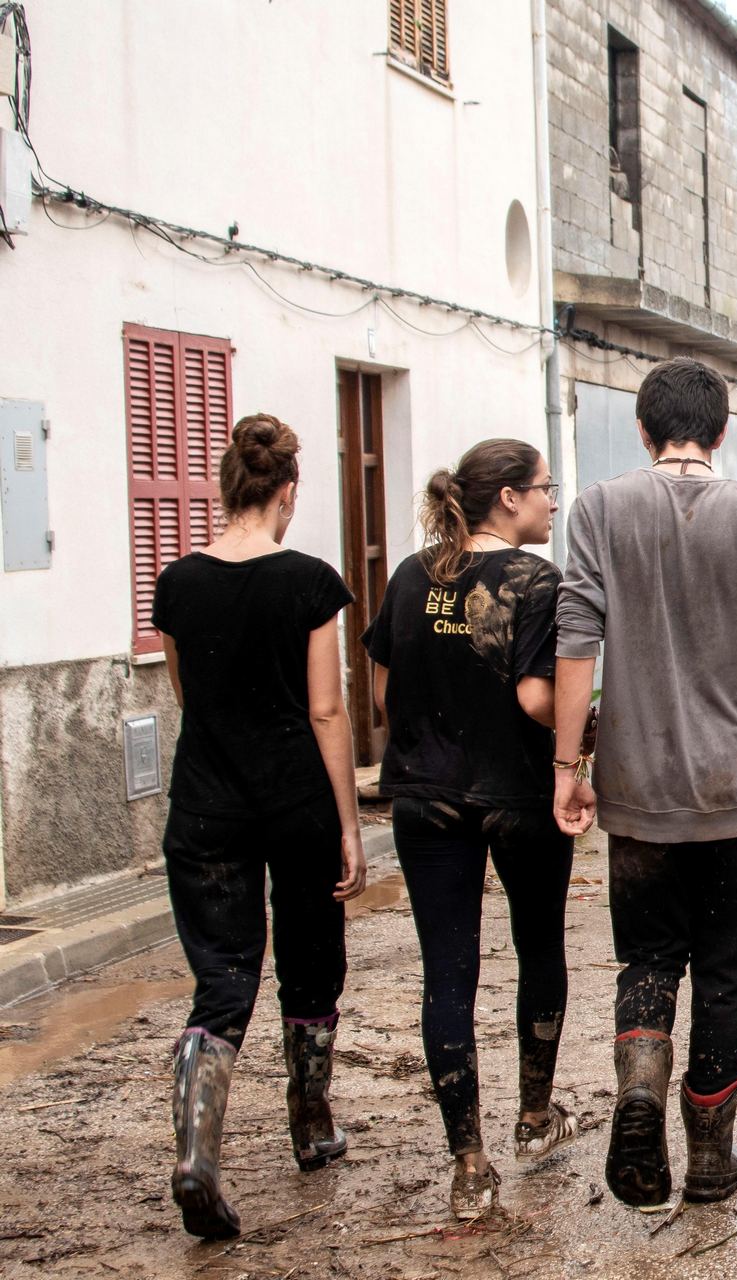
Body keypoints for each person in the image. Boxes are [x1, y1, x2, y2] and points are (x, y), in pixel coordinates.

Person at [551, 357, 737, 1212]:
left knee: (649, 958)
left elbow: (575, 644)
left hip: (637, 790)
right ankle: (710, 1159)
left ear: (643, 430)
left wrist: (569, 768)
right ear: (722, 431)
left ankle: (640, 1088)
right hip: (736, 792)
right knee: (726, 975)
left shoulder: (597, 510)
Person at [152, 414, 365, 1240]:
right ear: (287, 492)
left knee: (223, 978)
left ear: (226, 489)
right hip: (295, 804)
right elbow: (326, 710)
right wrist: (349, 823)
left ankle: (196, 1153)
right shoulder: (310, 582)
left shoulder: (177, 583)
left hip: (206, 804)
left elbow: (188, 697)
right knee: (311, 966)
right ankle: (311, 1125)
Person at [362, 439, 578, 1220]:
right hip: (518, 793)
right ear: (509, 498)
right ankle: (535, 1116)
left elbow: (383, 691)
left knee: (446, 975)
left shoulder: (411, 575)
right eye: (546, 488)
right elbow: (535, 698)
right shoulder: (535, 581)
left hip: (427, 797)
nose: (552, 502)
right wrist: (584, 733)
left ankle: (469, 1163)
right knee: (538, 946)